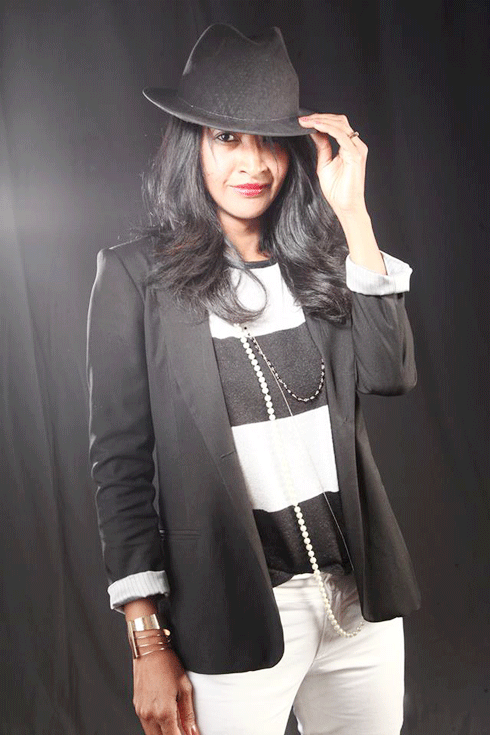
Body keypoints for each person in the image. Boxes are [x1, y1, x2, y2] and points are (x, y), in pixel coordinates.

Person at [86, 23, 421, 735]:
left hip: (357, 600)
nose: (254, 163)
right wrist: (147, 640)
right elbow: (119, 467)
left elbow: (390, 373)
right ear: (192, 145)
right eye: (227, 138)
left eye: (270, 140)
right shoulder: (135, 278)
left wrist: (352, 211)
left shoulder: (320, 259)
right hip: (234, 610)